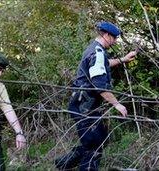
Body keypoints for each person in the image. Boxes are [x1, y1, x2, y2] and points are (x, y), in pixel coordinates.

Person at [55, 21, 137, 170]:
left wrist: (123, 59)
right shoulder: (97, 52)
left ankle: (63, 164)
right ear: (106, 35)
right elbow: (100, 85)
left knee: (100, 138)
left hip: (85, 105)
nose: (115, 41)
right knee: (93, 145)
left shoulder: (94, 49)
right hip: (84, 107)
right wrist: (117, 104)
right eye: (114, 38)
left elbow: (104, 63)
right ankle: (72, 165)